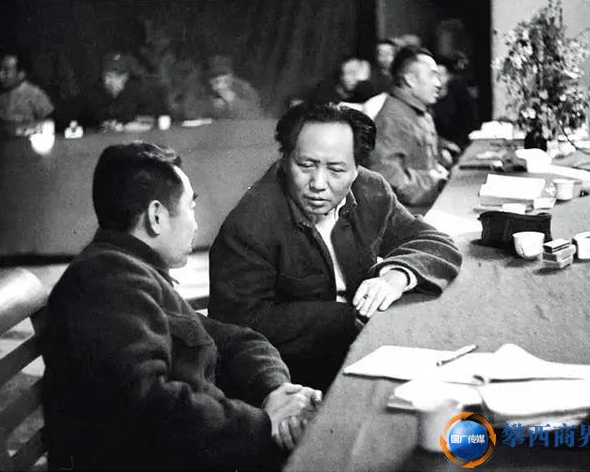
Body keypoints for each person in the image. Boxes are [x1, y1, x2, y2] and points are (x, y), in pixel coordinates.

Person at [41, 142, 321, 470]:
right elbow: (149, 407)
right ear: (156, 217)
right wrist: (263, 424)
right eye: (191, 207)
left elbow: (236, 340)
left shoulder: (128, 272)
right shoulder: (106, 283)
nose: (196, 224)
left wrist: (274, 389)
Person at [209, 102, 462, 391]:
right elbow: (235, 326)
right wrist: (345, 318)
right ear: (286, 159)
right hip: (293, 374)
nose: (318, 183)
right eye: (306, 165)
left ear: (357, 169)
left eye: (336, 169)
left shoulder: (370, 188)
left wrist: (396, 276)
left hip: (361, 345)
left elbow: (435, 242)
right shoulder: (249, 223)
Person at [364, 46, 456, 209]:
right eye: (432, 75)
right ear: (410, 80)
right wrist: (437, 181)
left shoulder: (419, 112)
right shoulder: (392, 117)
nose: (438, 84)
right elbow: (390, 180)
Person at [78, 52, 168, 129]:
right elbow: (83, 125)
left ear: (126, 77)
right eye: (109, 76)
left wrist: (137, 124)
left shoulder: (138, 91)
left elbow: (157, 117)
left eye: (118, 76)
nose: (113, 81)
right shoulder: (92, 95)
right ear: (103, 76)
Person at [184, 55, 263, 119]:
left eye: (225, 80)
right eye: (216, 81)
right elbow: (187, 111)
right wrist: (210, 105)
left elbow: (256, 114)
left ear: (231, 77)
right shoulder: (201, 88)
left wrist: (233, 101)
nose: (221, 85)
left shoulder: (242, 87)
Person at [0, 54, 54, 138]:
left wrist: (23, 129)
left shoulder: (34, 94)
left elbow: (50, 123)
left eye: (6, 71)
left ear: (21, 74)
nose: (0, 75)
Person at [433, 52, 478, 151]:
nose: (437, 79)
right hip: (439, 146)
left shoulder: (459, 91)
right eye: (433, 75)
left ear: (448, 76)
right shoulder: (427, 95)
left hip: (461, 144)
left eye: (440, 75)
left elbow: (469, 120)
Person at [306, 57, 375, 105]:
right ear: (341, 76)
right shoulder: (323, 94)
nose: (355, 77)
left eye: (358, 73)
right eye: (350, 73)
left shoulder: (365, 94)